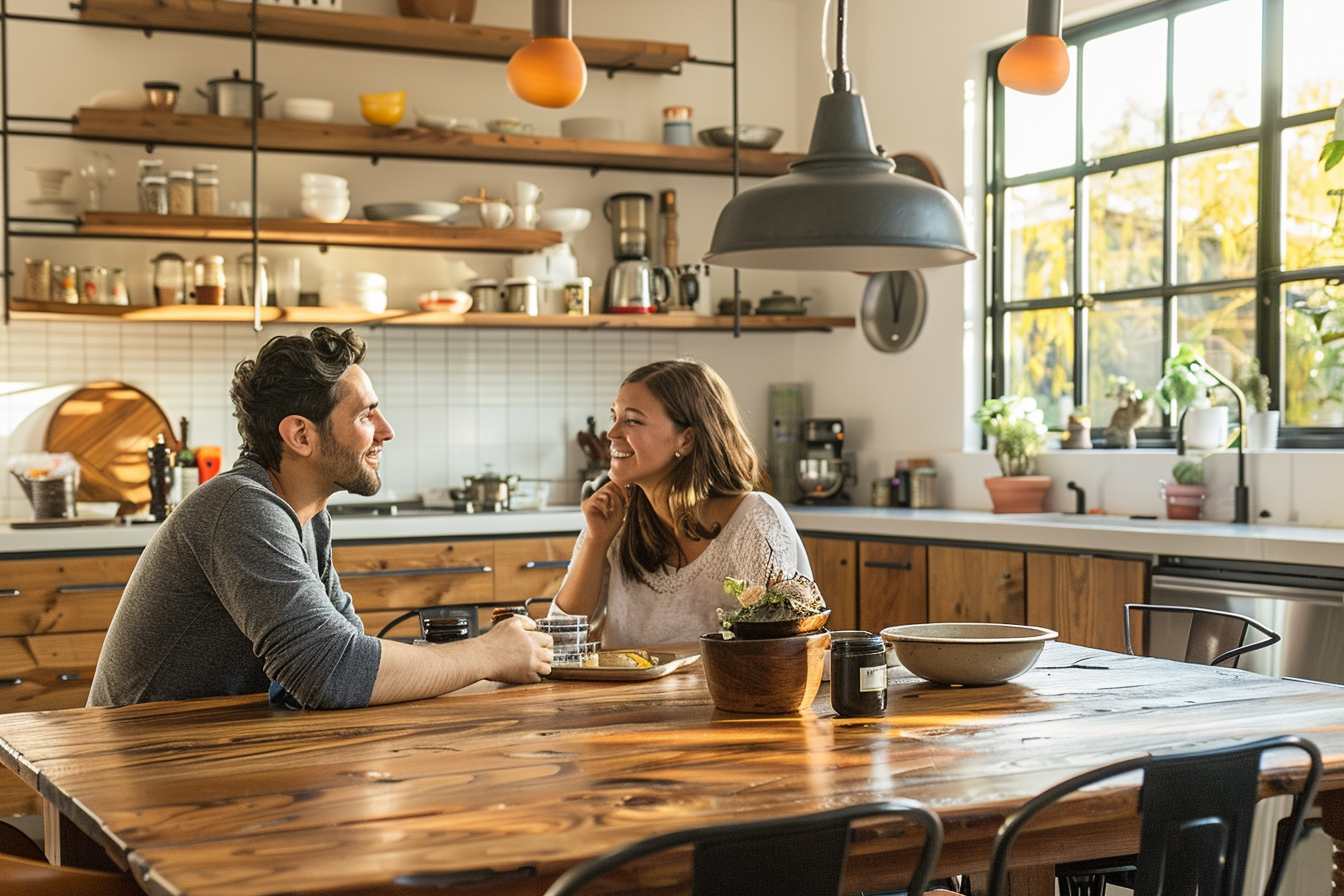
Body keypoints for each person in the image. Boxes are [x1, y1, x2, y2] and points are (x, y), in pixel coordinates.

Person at [89, 327, 551, 709]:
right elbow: (330, 672)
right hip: (137, 773)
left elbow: (353, 660)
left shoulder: (307, 517)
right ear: (300, 435)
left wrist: (485, 658)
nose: (387, 431)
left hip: (207, 756)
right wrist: (490, 653)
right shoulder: (240, 508)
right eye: (367, 414)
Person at [552, 359, 812, 647]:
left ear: (686, 440)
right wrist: (596, 540)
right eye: (614, 417)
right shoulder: (615, 520)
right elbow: (558, 641)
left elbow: (784, 650)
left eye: (632, 420)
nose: (611, 434)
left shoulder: (753, 521)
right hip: (622, 694)